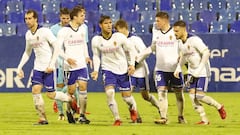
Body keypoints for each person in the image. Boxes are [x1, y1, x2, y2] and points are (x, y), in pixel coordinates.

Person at [16, 9, 72, 125]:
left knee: (51, 95)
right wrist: (19, 67)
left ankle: (70, 99)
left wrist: (52, 64)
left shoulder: (45, 32)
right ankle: (42, 118)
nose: (27, 21)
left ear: (35, 19)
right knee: (35, 90)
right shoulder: (28, 35)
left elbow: (56, 47)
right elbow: (27, 52)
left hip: (49, 68)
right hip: (38, 68)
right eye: (26, 19)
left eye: (30, 18)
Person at [173, 20, 226, 125]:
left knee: (199, 96)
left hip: (202, 71)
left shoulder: (194, 40)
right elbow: (183, 56)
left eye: (177, 31)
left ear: (184, 30)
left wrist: (199, 69)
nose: (175, 33)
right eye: (174, 31)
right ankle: (204, 120)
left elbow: (206, 52)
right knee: (192, 96)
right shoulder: (179, 42)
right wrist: (178, 67)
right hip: (191, 71)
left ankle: (219, 107)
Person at [136, 11, 185, 124]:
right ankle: (163, 117)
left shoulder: (175, 32)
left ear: (165, 20)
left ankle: (180, 116)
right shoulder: (156, 31)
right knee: (162, 93)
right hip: (160, 69)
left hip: (174, 69)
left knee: (179, 94)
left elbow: (182, 47)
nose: (156, 23)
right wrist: (140, 56)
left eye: (158, 20)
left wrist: (180, 57)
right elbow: (153, 46)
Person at [91, 15, 139, 126]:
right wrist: (96, 70)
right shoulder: (96, 40)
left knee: (127, 98)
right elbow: (96, 56)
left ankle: (133, 109)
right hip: (108, 69)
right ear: (100, 25)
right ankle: (117, 118)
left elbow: (131, 50)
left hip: (122, 69)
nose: (109, 25)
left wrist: (132, 65)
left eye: (110, 23)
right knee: (110, 92)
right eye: (106, 23)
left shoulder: (119, 37)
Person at [114, 19, 160, 121]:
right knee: (126, 94)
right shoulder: (119, 41)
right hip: (129, 72)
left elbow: (146, 53)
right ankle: (136, 116)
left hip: (140, 71)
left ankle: (160, 108)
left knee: (146, 96)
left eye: (117, 31)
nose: (116, 34)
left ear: (123, 28)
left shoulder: (135, 39)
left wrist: (135, 63)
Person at [57, 5, 91, 124]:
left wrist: (87, 56)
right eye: (82, 15)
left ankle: (82, 115)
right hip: (69, 66)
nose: (84, 18)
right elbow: (58, 48)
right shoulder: (64, 31)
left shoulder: (83, 28)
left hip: (81, 64)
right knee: (71, 91)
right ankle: (68, 110)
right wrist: (67, 58)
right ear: (75, 17)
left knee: (83, 87)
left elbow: (84, 44)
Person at [50, 7, 72, 121]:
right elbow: (54, 47)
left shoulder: (74, 29)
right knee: (59, 87)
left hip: (71, 62)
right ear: (60, 18)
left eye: (67, 18)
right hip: (59, 62)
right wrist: (57, 61)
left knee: (73, 87)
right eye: (63, 18)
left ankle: (72, 108)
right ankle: (61, 112)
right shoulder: (54, 29)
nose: (65, 20)